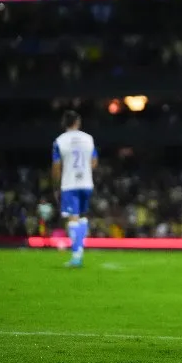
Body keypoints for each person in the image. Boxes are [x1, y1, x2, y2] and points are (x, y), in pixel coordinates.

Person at [52, 110, 98, 268]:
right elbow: (94, 161)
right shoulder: (88, 139)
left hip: (70, 184)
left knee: (73, 218)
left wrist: (56, 185)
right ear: (77, 122)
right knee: (83, 217)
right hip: (86, 183)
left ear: (64, 123)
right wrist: (84, 171)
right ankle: (79, 252)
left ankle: (76, 256)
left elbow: (56, 167)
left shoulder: (59, 141)